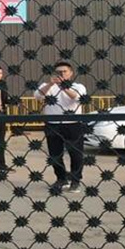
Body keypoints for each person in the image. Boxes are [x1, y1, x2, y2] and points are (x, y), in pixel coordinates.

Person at [34, 62, 88, 193]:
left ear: (71, 73)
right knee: (55, 154)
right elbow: (37, 96)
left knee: (76, 154)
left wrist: (64, 86)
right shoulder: (48, 86)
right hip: (53, 124)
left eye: (64, 71)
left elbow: (76, 98)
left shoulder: (78, 86)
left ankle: (75, 180)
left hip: (72, 123)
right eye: (59, 72)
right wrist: (50, 84)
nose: (62, 74)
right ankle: (61, 178)